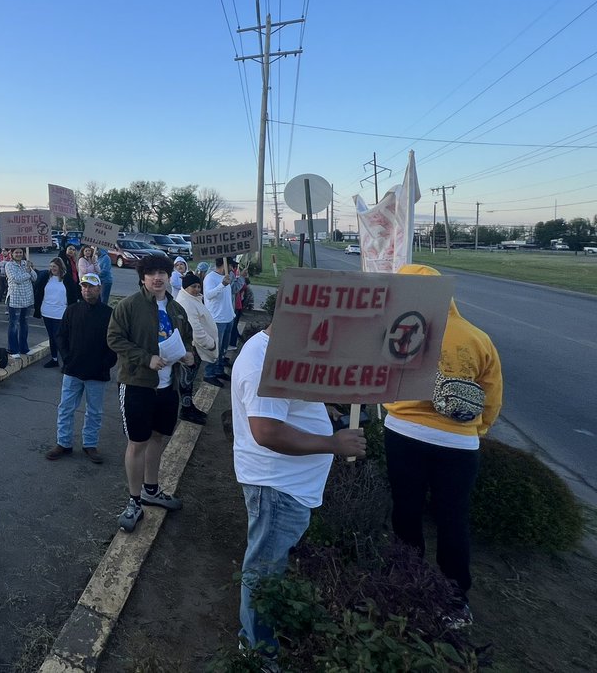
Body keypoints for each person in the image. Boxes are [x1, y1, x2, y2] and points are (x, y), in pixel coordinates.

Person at [230, 324, 366, 653]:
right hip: (276, 487)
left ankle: (261, 636)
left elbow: (288, 403)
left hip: (285, 486)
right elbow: (267, 430)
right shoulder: (263, 360)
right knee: (265, 572)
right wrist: (332, 443)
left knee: (270, 567)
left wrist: (323, 407)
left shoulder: (285, 351)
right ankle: (257, 651)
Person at [383, 263, 503, 627]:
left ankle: (406, 582)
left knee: (406, 511)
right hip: (459, 443)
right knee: (453, 519)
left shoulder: (396, 331)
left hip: (403, 432)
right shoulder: (477, 338)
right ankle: (454, 601)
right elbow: (492, 396)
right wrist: (476, 431)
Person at [106, 252, 194, 533]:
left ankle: (151, 490)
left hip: (167, 386)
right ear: (142, 278)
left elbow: (187, 336)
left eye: (162, 273)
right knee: (138, 442)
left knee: (158, 438)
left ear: (170, 277)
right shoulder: (129, 306)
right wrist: (146, 358)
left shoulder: (176, 309)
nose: (157, 278)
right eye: (151, 273)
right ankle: (134, 501)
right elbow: (114, 339)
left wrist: (188, 355)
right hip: (137, 384)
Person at [46, 274, 116, 464]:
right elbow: (61, 336)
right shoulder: (72, 310)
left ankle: (90, 444)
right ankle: (64, 443)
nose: (87, 290)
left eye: (91, 287)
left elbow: (115, 342)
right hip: (73, 370)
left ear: (99, 289)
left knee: (94, 411)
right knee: (65, 408)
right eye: (84, 286)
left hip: (97, 372)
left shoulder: (109, 313)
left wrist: (106, 363)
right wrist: (67, 357)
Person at [173, 271, 219, 425]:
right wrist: (210, 344)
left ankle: (188, 406)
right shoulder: (187, 303)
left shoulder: (193, 299)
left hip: (193, 347)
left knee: (189, 380)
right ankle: (186, 410)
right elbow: (196, 330)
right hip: (192, 348)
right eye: (194, 286)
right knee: (186, 380)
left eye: (199, 286)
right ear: (185, 287)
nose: (198, 289)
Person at [34, 257, 79, 367]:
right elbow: (38, 291)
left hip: (61, 313)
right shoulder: (45, 277)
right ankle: (54, 359)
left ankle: (66, 361)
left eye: (54, 266)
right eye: (50, 266)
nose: (52, 268)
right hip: (47, 311)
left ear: (60, 267)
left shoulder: (66, 279)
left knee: (59, 337)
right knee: (52, 337)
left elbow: (73, 295)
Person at [202, 258, 236, 386]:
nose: (233, 269)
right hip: (217, 319)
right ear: (225, 265)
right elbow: (209, 295)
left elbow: (227, 298)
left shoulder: (227, 277)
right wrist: (222, 285)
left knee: (223, 349)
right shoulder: (211, 278)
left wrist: (231, 314)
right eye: (231, 266)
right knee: (215, 348)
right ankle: (209, 374)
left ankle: (219, 370)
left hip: (228, 318)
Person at [5, 248, 36, 358]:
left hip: (27, 298)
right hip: (15, 299)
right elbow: (15, 279)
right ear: (12, 254)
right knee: (13, 325)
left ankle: (24, 348)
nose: (18, 254)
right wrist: (28, 274)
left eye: (20, 252)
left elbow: (35, 277)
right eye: (16, 252)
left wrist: (30, 269)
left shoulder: (26, 264)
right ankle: (13, 350)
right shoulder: (9, 265)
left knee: (25, 324)